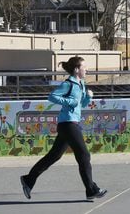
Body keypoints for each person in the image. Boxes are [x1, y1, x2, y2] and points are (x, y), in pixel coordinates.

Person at [20, 56, 106, 200]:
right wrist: (69, 101)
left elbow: (81, 105)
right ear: (77, 70)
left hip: (71, 123)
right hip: (67, 124)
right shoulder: (69, 84)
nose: (87, 70)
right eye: (84, 67)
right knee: (84, 155)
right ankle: (91, 189)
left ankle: (29, 179)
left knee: (54, 156)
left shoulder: (81, 84)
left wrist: (88, 98)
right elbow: (52, 96)